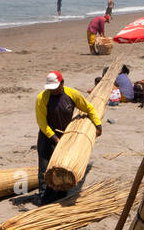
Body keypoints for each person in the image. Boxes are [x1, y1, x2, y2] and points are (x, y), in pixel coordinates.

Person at [35, 70, 102, 205]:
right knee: (45, 166)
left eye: (55, 88)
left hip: (66, 136)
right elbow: (41, 122)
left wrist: (98, 125)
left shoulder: (72, 94)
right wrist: (54, 138)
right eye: (50, 89)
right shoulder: (42, 98)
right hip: (47, 136)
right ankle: (44, 196)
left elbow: (89, 108)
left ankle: (61, 194)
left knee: (63, 166)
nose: (53, 91)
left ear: (62, 83)